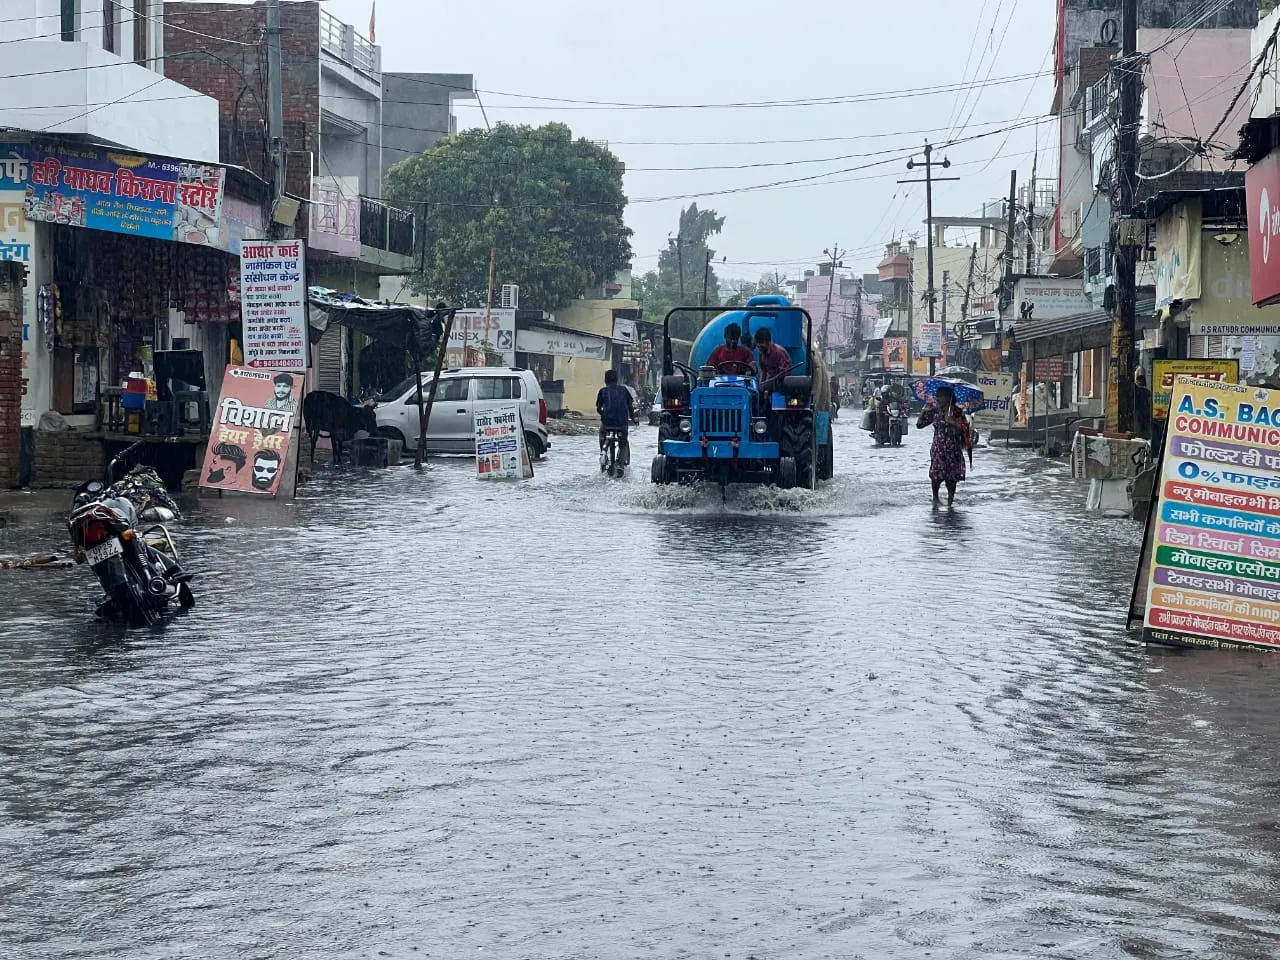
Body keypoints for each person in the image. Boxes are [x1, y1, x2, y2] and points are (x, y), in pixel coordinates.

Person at [917, 384, 972, 506]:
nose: (937, 399)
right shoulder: (935, 411)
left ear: (948, 398)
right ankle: (935, 498)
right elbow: (919, 425)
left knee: (951, 478)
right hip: (938, 448)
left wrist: (951, 421)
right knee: (936, 475)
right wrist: (924, 410)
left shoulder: (958, 412)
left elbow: (964, 429)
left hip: (953, 449)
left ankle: (950, 501)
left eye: (940, 396)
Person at [596, 369, 637, 464]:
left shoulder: (603, 391)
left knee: (602, 435)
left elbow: (598, 408)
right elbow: (630, 406)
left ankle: (603, 450)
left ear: (605, 380)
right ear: (617, 380)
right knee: (623, 443)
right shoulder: (624, 390)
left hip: (607, 423)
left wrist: (603, 415)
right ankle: (621, 465)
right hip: (622, 423)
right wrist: (633, 419)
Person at [753, 327, 792, 395]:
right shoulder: (761, 353)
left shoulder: (779, 352)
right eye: (758, 345)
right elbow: (763, 371)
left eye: (761, 343)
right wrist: (760, 384)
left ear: (768, 342)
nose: (759, 347)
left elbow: (785, 373)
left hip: (780, 382)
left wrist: (765, 385)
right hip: (769, 382)